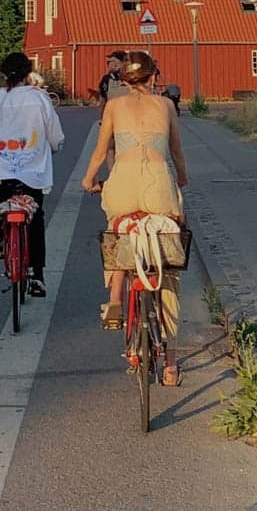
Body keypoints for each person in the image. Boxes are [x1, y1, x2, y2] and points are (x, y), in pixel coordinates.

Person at [82, 51, 188, 384]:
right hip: (157, 181)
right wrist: (181, 178)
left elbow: (101, 149)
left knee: (118, 232)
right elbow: (176, 150)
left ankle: (114, 299)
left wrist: (88, 179)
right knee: (168, 258)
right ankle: (170, 364)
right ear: (153, 77)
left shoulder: (113, 106)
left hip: (123, 181)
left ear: (125, 80)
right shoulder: (166, 106)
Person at [0, 52, 64, 297]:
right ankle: (38, 275)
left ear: (3, 73)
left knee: (2, 200)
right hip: (33, 170)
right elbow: (54, 134)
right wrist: (54, 145)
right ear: (27, 72)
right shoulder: (40, 99)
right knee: (36, 216)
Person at [97, 50, 128, 115]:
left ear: (122, 63)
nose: (109, 64)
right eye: (108, 62)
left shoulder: (133, 79)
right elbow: (103, 100)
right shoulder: (107, 79)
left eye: (113, 61)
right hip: (112, 116)